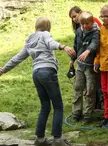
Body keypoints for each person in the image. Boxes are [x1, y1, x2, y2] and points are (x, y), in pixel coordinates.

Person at [0, 17, 76, 146]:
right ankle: (57, 139)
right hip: (47, 71)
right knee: (58, 106)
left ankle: (40, 139)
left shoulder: (29, 41)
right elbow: (50, 43)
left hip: (36, 74)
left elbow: (17, 58)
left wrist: (3, 70)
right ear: (48, 27)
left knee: (45, 106)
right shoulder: (45, 34)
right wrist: (63, 46)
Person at [70, 11, 100, 124]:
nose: (84, 26)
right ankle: (76, 113)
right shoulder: (78, 31)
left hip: (90, 67)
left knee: (90, 90)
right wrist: (72, 59)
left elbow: (95, 44)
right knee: (77, 88)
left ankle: (87, 115)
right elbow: (76, 46)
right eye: (82, 24)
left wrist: (88, 51)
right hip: (80, 65)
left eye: (87, 23)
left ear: (92, 22)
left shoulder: (96, 32)